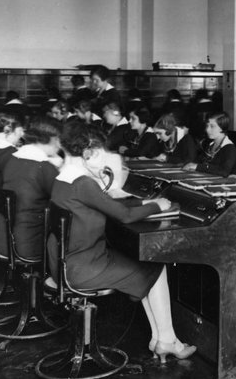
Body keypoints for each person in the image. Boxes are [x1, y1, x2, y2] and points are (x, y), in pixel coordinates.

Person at [50, 121, 195, 362]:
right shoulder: (83, 183)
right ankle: (166, 341)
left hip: (65, 263)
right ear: (90, 153)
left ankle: (162, 340)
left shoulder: (64, 179)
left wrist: (143, 203)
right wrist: (155, 205)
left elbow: (107, 204)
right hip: (83, 268)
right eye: (102, 154)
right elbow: (124, 215)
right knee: (156, 267)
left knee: (144, 266)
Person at [0, 115, 62, 259]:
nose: (60, 146)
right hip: (29, 243)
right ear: (52, 139)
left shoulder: (12, 157)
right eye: (59, 140)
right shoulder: (44, 167)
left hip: (3, 238)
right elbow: (62, 196)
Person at [185, 112, 236, 176]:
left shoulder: (230, 149)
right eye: (207, 126)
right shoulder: (210, 145)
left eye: (212, 126)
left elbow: (224, 171)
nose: (207, 129)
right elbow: (196, 162)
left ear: (222, 127)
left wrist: (198, 167)